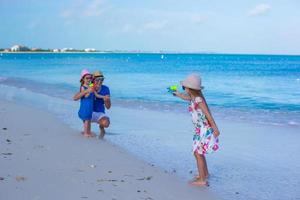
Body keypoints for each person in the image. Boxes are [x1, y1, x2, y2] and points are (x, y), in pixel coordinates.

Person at [173, 73, 220, 186]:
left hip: (204, 129)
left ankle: (202, 180)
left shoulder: (199, 100)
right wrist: (178, 94)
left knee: (197, 153)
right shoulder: (194, 97)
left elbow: (208, 114)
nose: (183, 89)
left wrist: (215, 128)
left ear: (190, 88)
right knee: (199, 152)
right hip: (199, 129)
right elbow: (186, 97)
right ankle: (205, 174)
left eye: (184, 87)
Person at [73, 69, 94, 137]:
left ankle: (88, 131)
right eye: (87, 78)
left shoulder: (90, 85)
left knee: (89, 119)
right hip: (85, 105)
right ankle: (86, 133)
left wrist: (92, 86)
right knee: (86, 119)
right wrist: (89, 92)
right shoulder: (83, 87)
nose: (89, 80)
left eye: (90, 78)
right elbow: (85, 96)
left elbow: (93, 86)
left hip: (90, 105)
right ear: (83, 79)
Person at [91, 71, 111, 139]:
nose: (100, 81)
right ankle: (87, 130)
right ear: (93, 80)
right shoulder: (90, 86)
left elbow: (108, 107)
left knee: (106, 123)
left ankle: (101, 128)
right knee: (86, 114)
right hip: (89, 111)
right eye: (97, 79)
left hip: (100, 112)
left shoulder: (106, 89)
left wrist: (106, 100)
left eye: (102, 79)